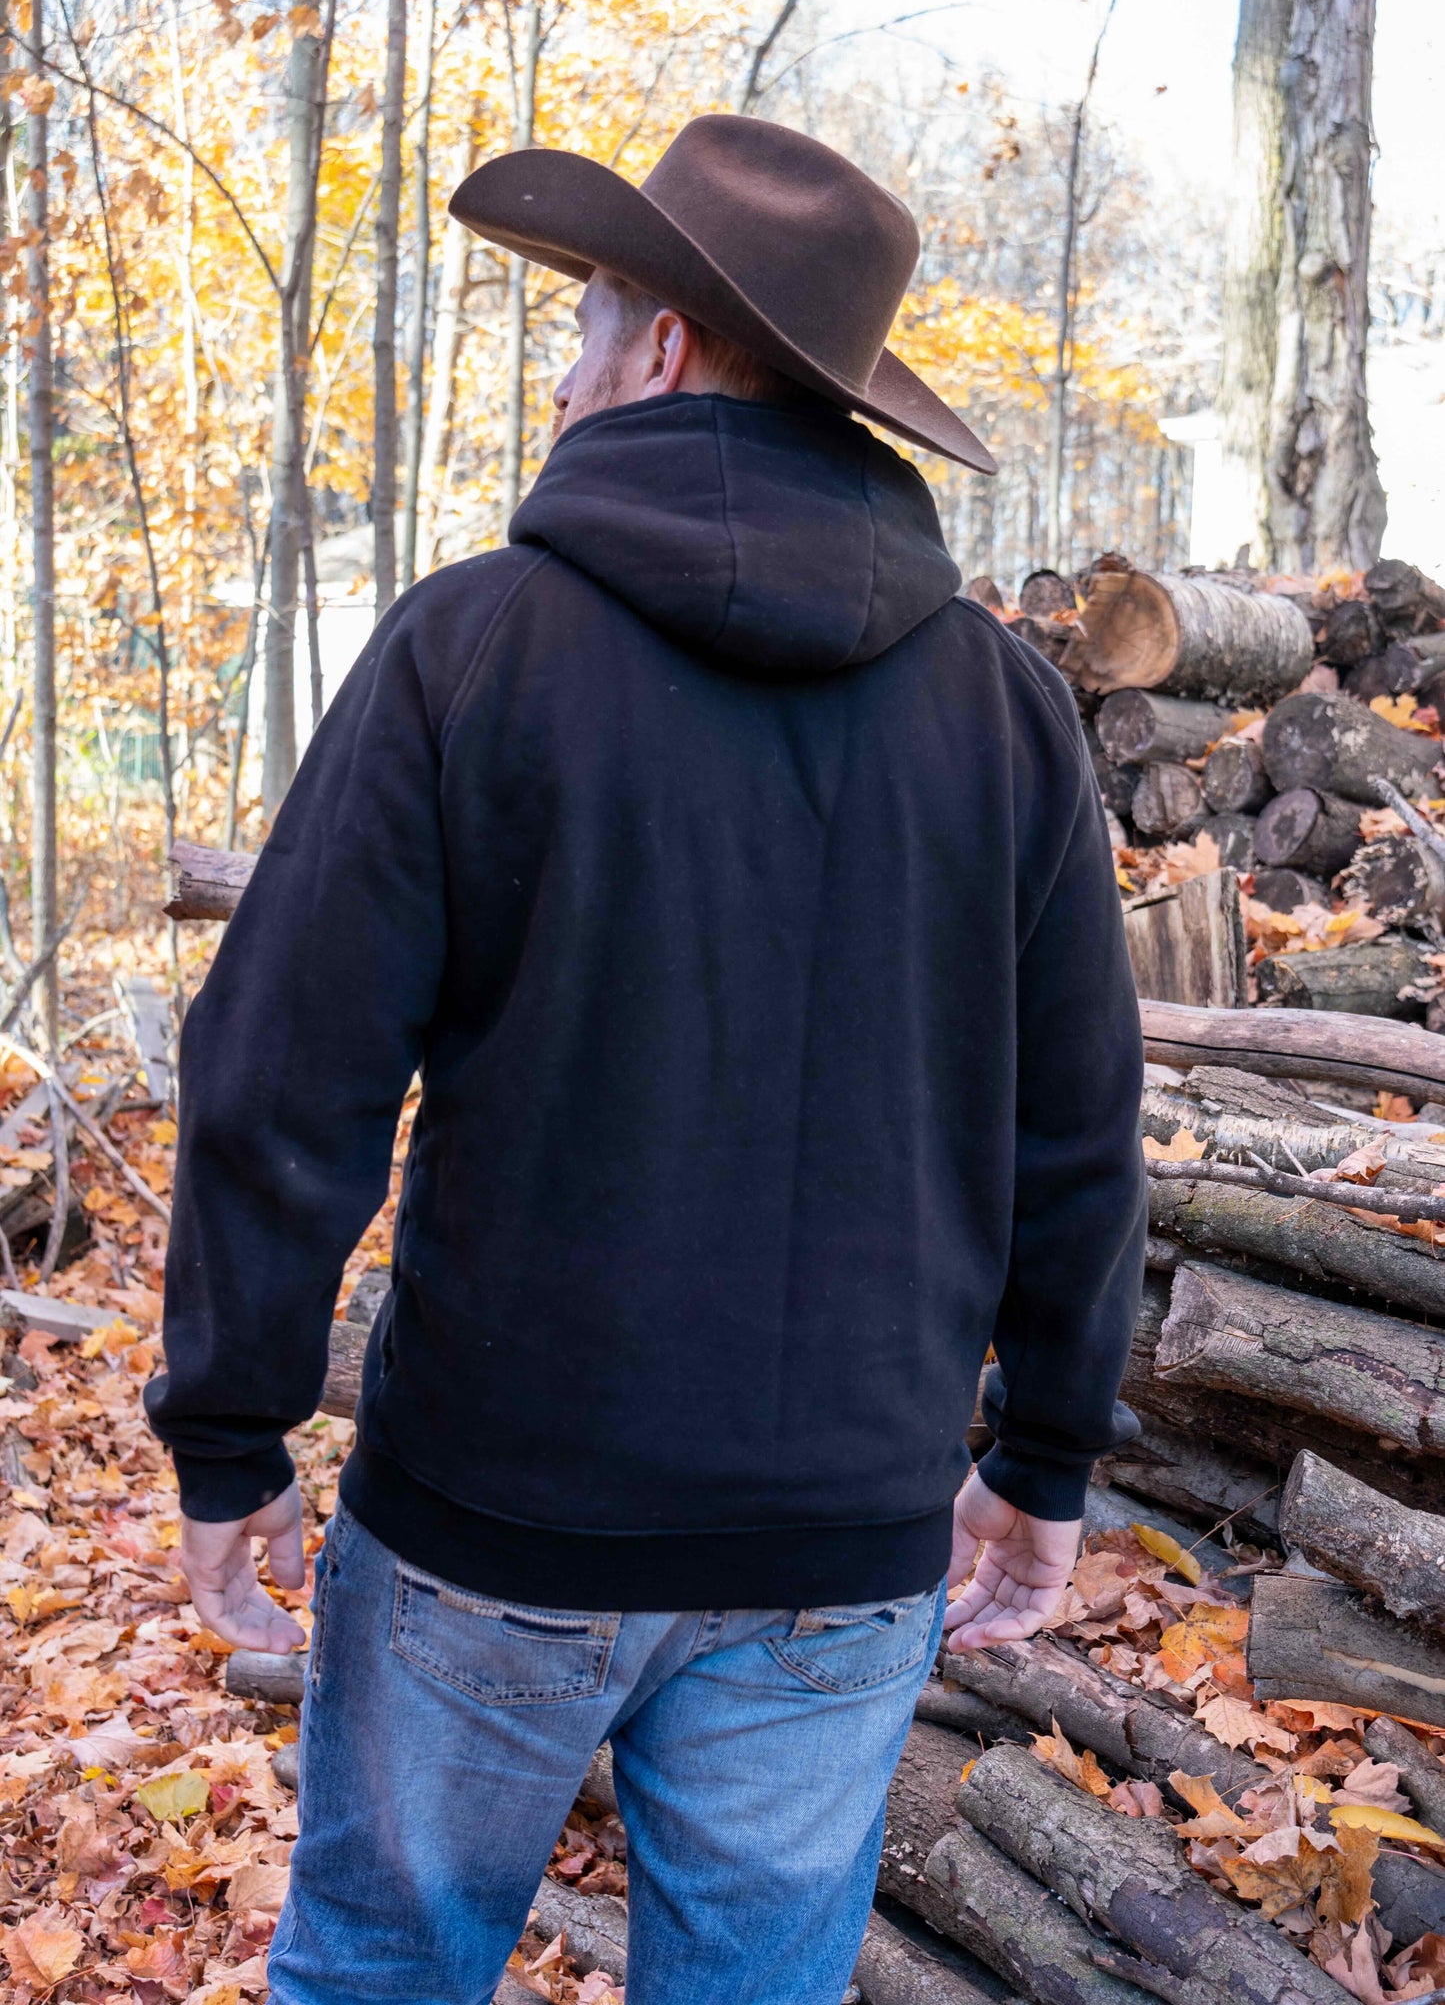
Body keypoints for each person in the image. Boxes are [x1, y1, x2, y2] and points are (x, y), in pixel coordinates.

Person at [145, 113, 1145, 2005]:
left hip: (492, 1525)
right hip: (841, 1542)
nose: (560, 364)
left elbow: (281, 1073)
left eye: (585, 322)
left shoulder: (471, 650)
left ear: (670, 348)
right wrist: (1044, 1452)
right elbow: (1082, 1129)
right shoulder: (1002, 710)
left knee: (378, 1977)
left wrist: (229, 1426)